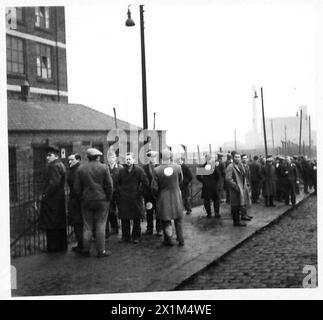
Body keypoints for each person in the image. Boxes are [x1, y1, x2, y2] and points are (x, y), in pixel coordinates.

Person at [74, 148, 113, 258]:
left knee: (87, 226)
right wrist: (108, 198)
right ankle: (101, 251)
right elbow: (110, 185)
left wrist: (80, 198)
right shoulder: (103, 167)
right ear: (98, 157)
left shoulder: (81, 169)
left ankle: (86, 250)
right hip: (101, 200)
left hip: (86, 200)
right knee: (100, 225)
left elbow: (76, 188)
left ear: (88, 157)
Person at [39, 145, 67, 252]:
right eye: (47, 155)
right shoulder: (61, 165)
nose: (47, 158)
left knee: (51, 224)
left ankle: (53, 247)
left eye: (49, 155)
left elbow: (54, 183)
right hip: (58, 200)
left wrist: (45, 195)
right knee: (59, 223)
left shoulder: (54, 166)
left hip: (52, 201)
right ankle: (61, 246)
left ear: (55, 156)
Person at [116, 152, 149, 244]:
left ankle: (136, 237)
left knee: (136, 218)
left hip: (135, 198)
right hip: (124, 199)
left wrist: (139, 192)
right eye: (127, 159)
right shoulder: (122, 171)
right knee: (124, 218)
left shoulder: (139, 170)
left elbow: (145, 183)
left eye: (130, 159)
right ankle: (125, 237)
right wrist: (120, 192)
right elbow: (118, 183)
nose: (128, 161)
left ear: (134, 160)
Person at [155, 149, 185, 246]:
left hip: (163, 198)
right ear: (170, 157)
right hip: (176, 196)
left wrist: (157, 194)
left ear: (161, 157)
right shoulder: (178, 167)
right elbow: (181, 180)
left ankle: (168, 240)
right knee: (178, 220)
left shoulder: (157, 170)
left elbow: (154, 187)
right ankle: (181, 240)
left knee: (166, 220)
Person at [225, 151, 249, 227]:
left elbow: (243, 176)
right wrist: (236, 186)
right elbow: (228, 178)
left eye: (239, 157)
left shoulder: (240, 165)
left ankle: (240, 219)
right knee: (235, 206)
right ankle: (236, 222)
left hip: (241, 188)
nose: (238, 158)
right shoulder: (230, 166)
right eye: (236, 157)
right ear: (232, 157)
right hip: (235, 190)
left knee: (240, 205)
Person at [142, 150, 162, 236]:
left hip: (158, 195)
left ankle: (159, 229)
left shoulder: (160, 167)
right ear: (148, 158)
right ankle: (149, 229)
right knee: (149, 212)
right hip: (148, 195)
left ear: (156, 158)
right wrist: (145, 193)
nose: (152, 159)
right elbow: (143, 181)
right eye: (150, 157)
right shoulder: (144, 168)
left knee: (158, 212)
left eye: (154, 157)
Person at [196, 153, 221, 218]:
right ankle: (217, 213)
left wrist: (203, 181)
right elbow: (218, 176)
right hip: (214, 186)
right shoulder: (213, 166)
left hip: (206, 186)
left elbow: (198, 177)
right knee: (216, 199)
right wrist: (215, 181)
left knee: (206, 200)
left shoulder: (202, 166)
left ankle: (209, 214)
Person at [67, 153, 82, 253]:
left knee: (79, 223)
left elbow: (77, 188)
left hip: (77, 201)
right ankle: (80, 244)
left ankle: (82, 245)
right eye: (69, 160)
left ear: (78, 160)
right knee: (77, 224)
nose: (69, 162)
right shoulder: (74, 169)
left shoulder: (77, 170)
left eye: (72, 160)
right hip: (75, 200)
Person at [106, 151, 123, 237]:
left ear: (115, 158)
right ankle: (114, 227)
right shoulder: (106, 168)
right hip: (110, 193)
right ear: (107, 159)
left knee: (121, 210)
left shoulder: (120, 168)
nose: (111, 159)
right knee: (111, 211)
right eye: (109, 158)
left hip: (119, 193)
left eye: (113, 157)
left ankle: (124, 229)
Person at [241, 154, 253, 220]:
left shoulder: (247, 166)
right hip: (243, 185)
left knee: (247, 200)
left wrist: (249, 184)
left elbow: (248, 176)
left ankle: (245, 214)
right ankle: (243, 215)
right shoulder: (241, 166)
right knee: (243, 200)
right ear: (241, 159)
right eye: (243, 158)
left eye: (246, 158)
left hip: (247, 184)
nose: (245, 159)